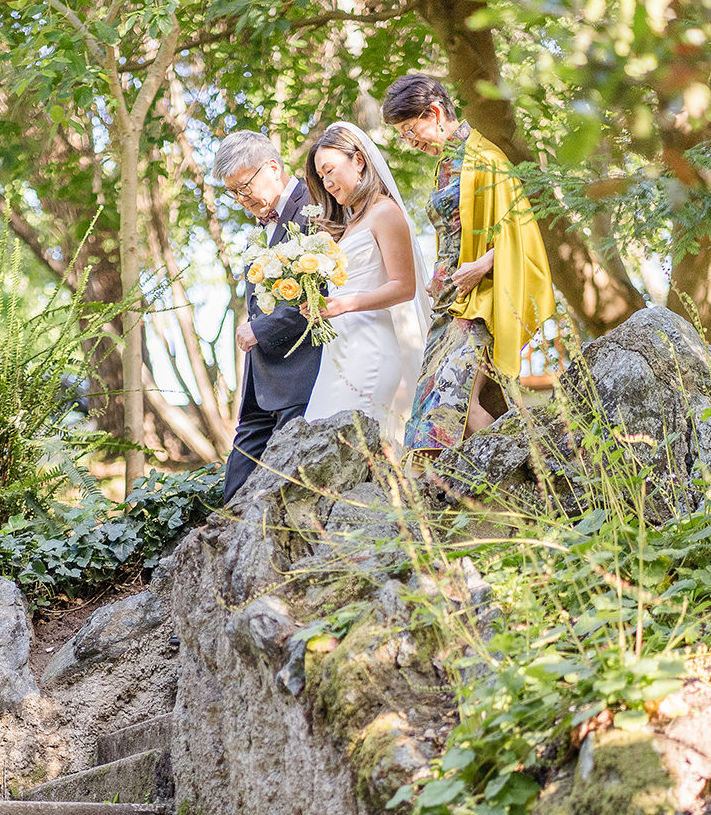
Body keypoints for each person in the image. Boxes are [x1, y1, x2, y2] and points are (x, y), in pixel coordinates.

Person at [381, 74, 555, 459]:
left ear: (436, 112)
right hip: (447, 304)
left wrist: (482, 265)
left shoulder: (485, 159)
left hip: (477, 304)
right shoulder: (445, 165)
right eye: (404, 137)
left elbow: (520, 231)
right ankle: (514, 479)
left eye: (412, 131)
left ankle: (535, 476)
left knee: (448, 398)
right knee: (434, 406)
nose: (412, 143)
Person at [301, 122, 431, 445]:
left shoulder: (385, 213)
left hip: (370, 351)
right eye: (321, 177)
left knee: (347, 449)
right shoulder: (346, 226)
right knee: (320, 443)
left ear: (358, 160)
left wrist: (346, 304)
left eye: (330, 170)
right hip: (338, 351)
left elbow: (405, 286)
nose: (327, 183)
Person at [214, 131, 322, 502]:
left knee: (285, 489)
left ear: (272, 167)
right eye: (234, 193)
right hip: (260, 382)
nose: (242, 201)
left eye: (245, 188)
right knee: (236, 488)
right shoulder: (260, 228)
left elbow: (323, 292)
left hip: (301, 372)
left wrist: (260, 329)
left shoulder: (316, 208)